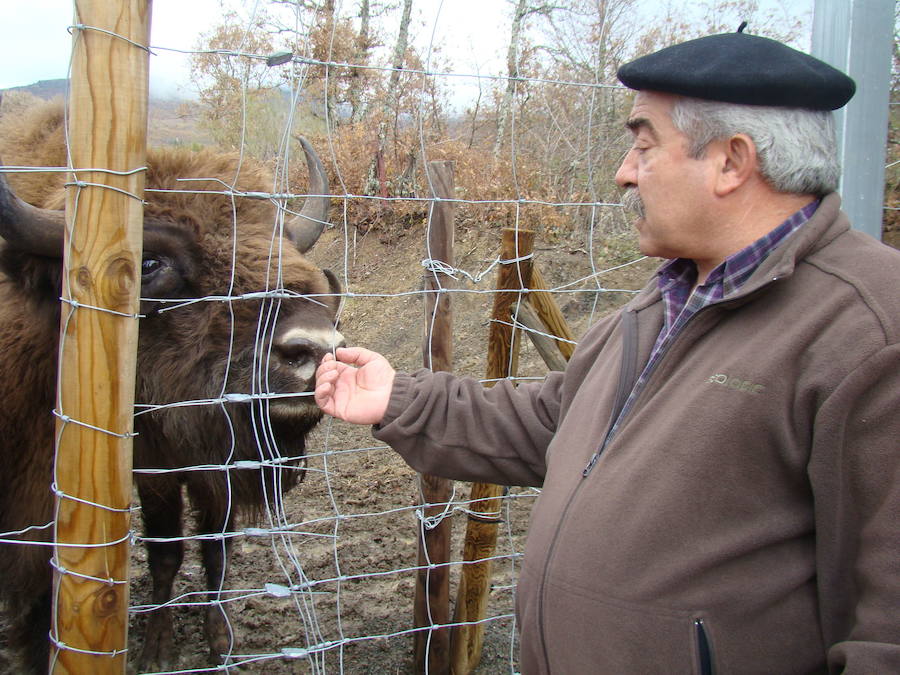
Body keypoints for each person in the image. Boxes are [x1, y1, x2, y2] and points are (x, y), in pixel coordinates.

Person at [315, 28, 900, 674]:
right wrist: (397, 398)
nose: (624, 171)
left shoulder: (870, 330)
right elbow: (550, 423)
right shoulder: (667, 299)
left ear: (732, 163)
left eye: (643, 145)